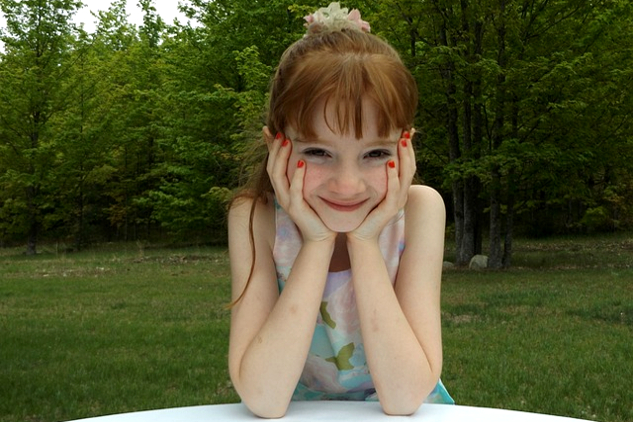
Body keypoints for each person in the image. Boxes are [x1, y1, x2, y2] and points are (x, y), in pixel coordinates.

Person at [227, 2, 453, 418]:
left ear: (405, 150)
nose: (347, 184)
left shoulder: (421, 212)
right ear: (276, 147)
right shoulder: (255, 218)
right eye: (317, 151)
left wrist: (365, 240)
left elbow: (405, 398)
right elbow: (262, 397)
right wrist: (316, 241)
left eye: (375, 153)